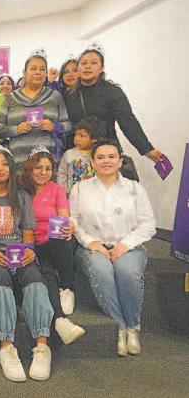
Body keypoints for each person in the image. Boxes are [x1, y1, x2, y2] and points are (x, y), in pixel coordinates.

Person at [0, 146, 54, 382]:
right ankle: (7, 346)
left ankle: (42, 346)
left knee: (35, 279)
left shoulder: (22, 197)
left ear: (11, 168)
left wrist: (29, 250)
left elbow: (27, 232)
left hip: (18, 252)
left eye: (4, 164)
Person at [70, 138, 156, 357]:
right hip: (91, 248)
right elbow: (73, 222)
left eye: (111, 157)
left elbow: (148, 225)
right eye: (100, 157)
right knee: (102, 270)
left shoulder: (135, 189)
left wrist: (124, 245)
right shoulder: (80, 189)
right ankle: (119, 326)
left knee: (127, 272)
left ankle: (133, 327)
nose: (106, 161)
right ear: (92, 162)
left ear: (120, 161)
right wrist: (91, 242)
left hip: (128, 247)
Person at [63, 43, 165, 178]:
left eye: (93, 63)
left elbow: (128, 121)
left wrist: (147, 149)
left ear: (101, 68)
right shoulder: (69, 95)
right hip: (79, 156)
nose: (87, 66)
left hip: (107, 153)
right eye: (83, 63)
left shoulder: (112, 92)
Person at [20, 147, 86, 345]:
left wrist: (67, 227)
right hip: (33, 243)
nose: (43, 172)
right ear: (30, 168)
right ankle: (60, 319)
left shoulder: (56, 189)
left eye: (48, 169)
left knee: (60, 235)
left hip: (56, 241)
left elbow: (63, 217)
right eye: (38, 168)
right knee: (46, 270)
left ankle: (67, 287)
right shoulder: (22, 190)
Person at [0, 49, 71, 169]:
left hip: (48, 166)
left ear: (46, 73)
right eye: (33, 68)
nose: (38, 72)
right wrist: (16, 129)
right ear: (24, 72)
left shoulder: (55, 96)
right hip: (19, 164)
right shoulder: (11, 98)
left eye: (42, 69)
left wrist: (54, 126)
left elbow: (68, 126)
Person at [57, 116, 103, 193]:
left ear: (94, 139)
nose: (76, 139)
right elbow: (61, 173)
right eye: (76, 134)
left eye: (82, 136)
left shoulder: (98, 155)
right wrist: (62, 192)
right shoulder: (69, 154)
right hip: (71, 195)